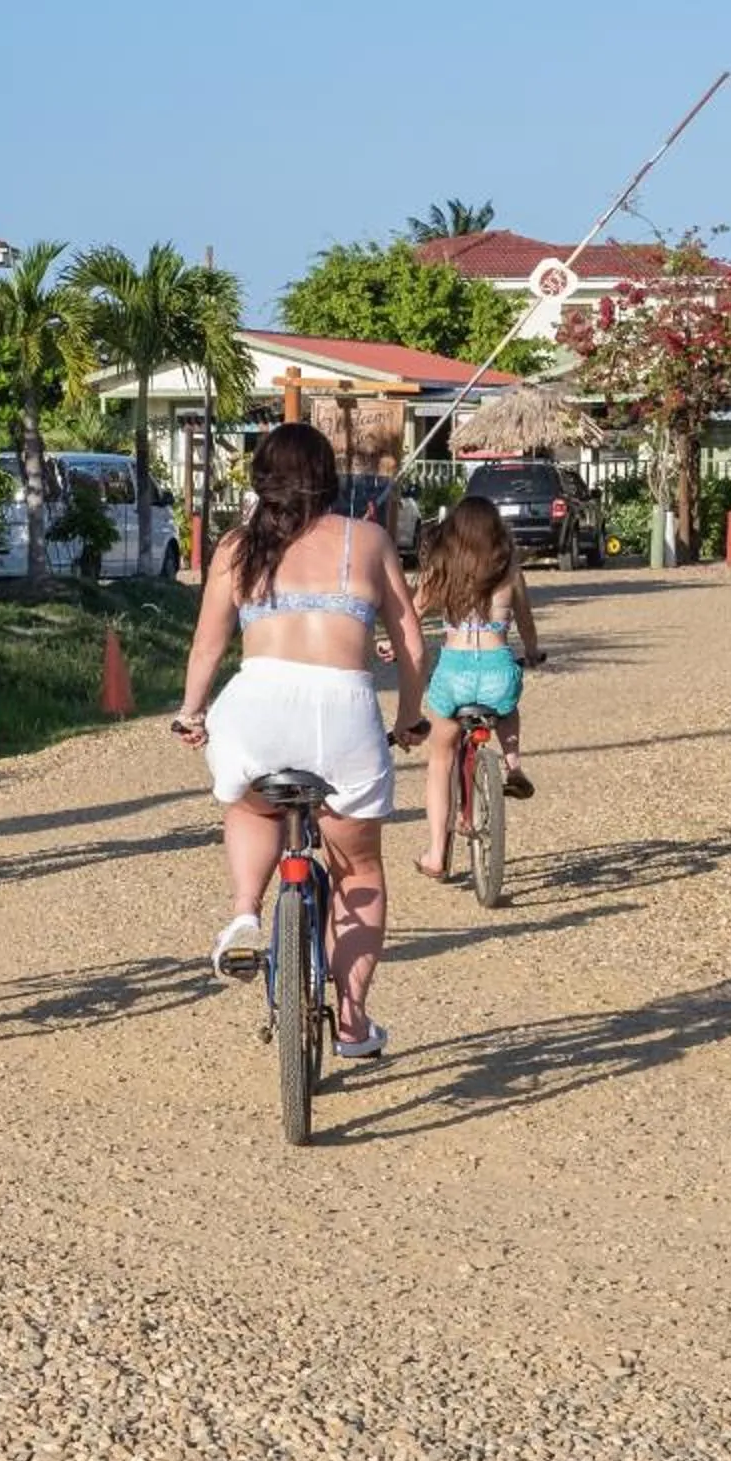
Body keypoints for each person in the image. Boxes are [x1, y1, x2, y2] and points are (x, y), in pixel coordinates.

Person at [172, 423, 428, 1060]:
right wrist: (410, 719)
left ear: (262, 479)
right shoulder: (366, 539)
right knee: (358, 867)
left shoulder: (237, 547)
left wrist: (191, 711)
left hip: (256, 706)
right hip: (342, 712)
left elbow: (208, 646)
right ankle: (351, 1019)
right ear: (328, 477)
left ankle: (244, 913)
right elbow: (414, 646)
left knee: (250, 802)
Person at [410, 493, 545, 881]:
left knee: (441, 756)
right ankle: (513, 762)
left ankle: (436, 853)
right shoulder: (509, 570)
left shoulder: (443, 569)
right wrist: (532, 652)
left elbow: (413, 611)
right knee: (507, 703)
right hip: (497, 669)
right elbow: (526, 622)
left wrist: (392, 644)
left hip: (454, 672)